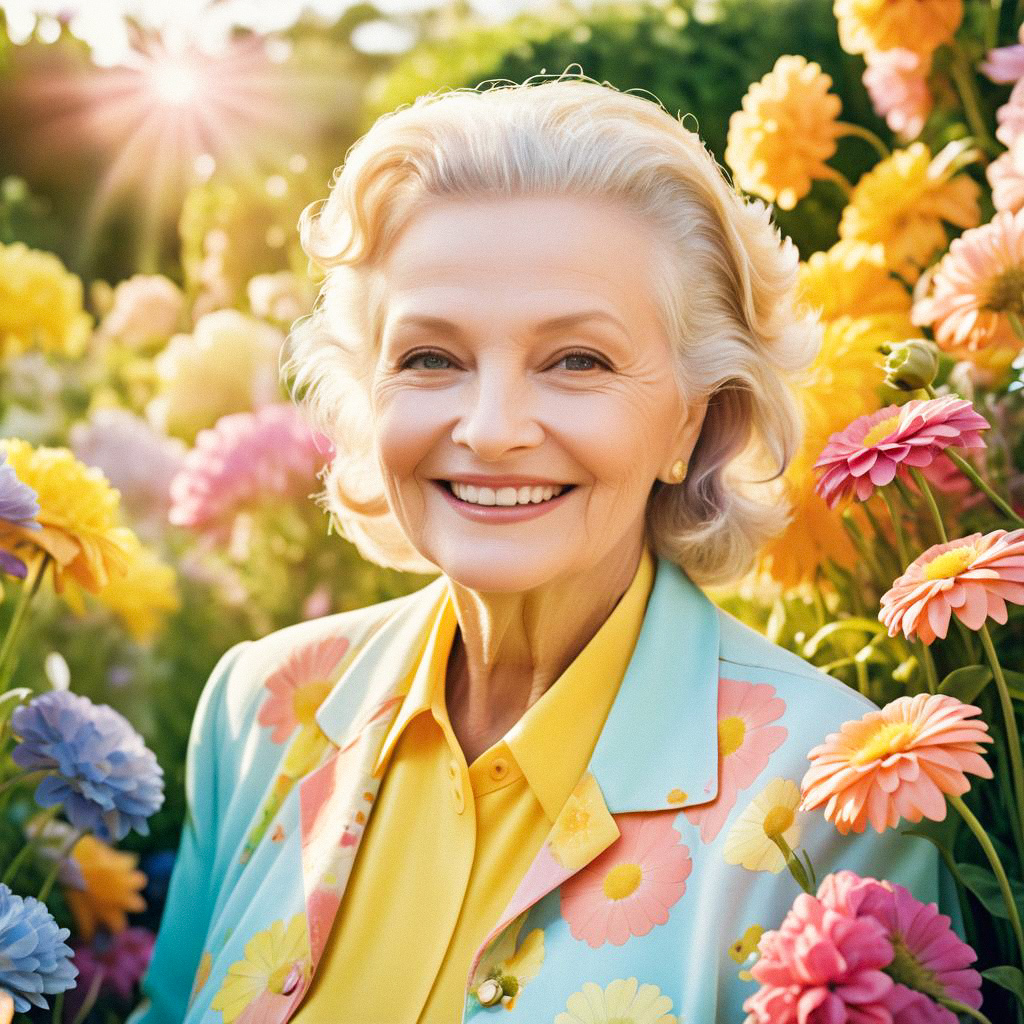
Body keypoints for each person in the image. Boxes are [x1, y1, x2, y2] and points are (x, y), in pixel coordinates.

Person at [131, 75, 951, 1024]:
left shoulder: (839, 796)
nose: (490, 429)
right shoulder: (259, 710)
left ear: (693, 418)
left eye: (577, 361)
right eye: (430, 358)